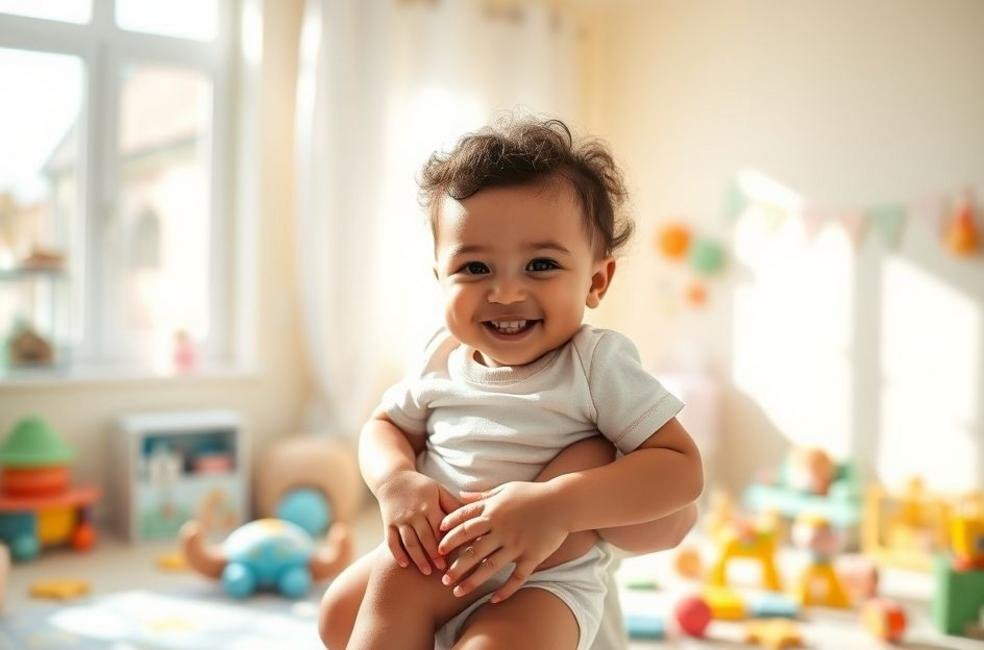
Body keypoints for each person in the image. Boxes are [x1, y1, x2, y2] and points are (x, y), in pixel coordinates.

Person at [319, 117, 703, 650]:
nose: (504, 292)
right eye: (475, 268)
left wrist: (556, 505)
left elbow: (681, 470)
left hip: (539, 580)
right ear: (440, 277)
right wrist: (396, 482)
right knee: (337, 616)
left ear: (596, 280)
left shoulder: (595, 363)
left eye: (540, 264)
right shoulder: (441, 355)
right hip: (437, 560)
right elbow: (384, 426)